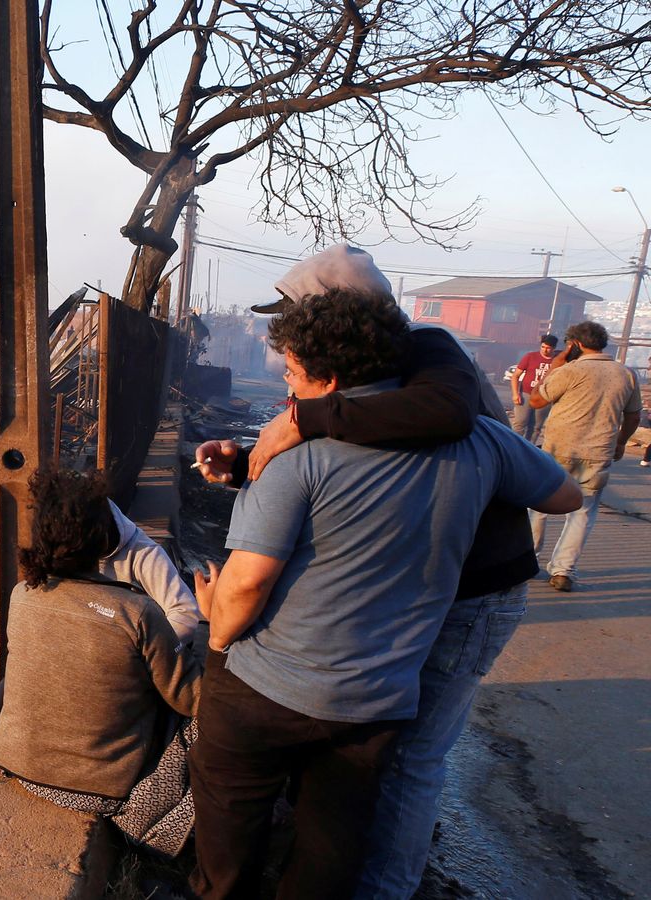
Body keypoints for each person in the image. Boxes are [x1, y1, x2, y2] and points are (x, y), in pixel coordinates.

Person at [187, 288, 577, 900]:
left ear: (329, 377)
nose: (287, 389)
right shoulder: (481, 441)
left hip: (267, 688)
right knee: (332, 843)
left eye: (291, 373)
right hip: (378, 701)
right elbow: (564, 496)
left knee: (230, 818)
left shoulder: (295, 455)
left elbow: (248, 582)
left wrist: (216, 631)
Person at [0, 467, 202, 855]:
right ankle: (150, 835)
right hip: (100, 791)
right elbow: (191, 701)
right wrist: (219, 638)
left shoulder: (22, 595)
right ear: (103, 537)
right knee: (211, 721)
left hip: (18, 766)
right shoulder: (138, 612)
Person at [0, 497, 201, 790]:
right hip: (80, 651)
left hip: (132, 659)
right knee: (18, 675)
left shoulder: (143, 558)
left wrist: (146, 653)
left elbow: (185, 613)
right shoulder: (37, 586)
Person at [527, 321, 643, 591]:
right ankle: (563, 572)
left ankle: (529, 560)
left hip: (557, 451)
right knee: (582, 514)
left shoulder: (569, 370)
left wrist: (556, 367)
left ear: (574, 345)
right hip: (597, 453)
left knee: (538, 508)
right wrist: (621, 443)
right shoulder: (626, 374)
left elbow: (536, 401)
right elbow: (634, 415)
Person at [509, 334, 559, 443]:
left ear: (554, 348)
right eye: (543, 347)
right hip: (526, 394)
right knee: (520, 423)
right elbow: (515, 376)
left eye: (548, 348)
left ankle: (530, 450)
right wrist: (515, 394)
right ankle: (513, 446)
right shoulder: (530, 356)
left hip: (544, 396)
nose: (545, 350)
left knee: (536, 426)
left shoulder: (558, 361)